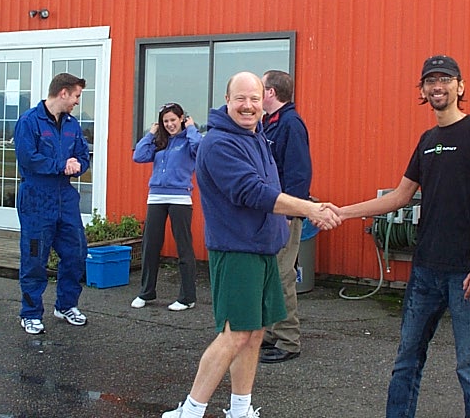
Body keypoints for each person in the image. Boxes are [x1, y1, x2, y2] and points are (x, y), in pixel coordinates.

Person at [335, 55, 470, 418]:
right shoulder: (427, 140)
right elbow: (399, 197)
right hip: (425, 270)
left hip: (467, 272)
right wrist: (341, 212)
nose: (437, 86)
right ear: (423, 91)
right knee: (406, 361)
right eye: (430, 81)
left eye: (445, 79)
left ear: (460, 86)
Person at [163, 72, 341, 418]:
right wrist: (309, 209)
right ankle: (191, 410)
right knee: (234, 334)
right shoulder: (219, 143)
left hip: (263, 248)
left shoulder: (255, 135)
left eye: (255, 99)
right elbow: (252, 192)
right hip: (237, 250)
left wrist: (304, 210)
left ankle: (240, 409)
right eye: (241, 99)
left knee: (255, 332)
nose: (248, 106)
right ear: (227, 100)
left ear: (265, 101)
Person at [14, 73, 91, 335]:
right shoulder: (29, 121)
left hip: (65, 198)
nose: (77, 102)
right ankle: (31, 313)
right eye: (77, 96)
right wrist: (62, 165)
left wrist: (78, 164)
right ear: (63, 93)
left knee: (76, 252)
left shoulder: (71, 124)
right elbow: (28, 158)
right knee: (35, 258)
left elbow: (82, 154)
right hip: (37, 198)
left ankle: (66, 305)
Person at [259, 70, 312, 364]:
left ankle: (289, 340)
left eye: (260, 87)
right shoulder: (270, 123)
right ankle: (271, 330)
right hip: (271, 210)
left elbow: (299, 172)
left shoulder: (290, 124)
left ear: (270, 92)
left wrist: (293, 212)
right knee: (269, 274)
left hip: (285, 212)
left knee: (281, 274)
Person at [131, 102, 202, 311]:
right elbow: (139, 155)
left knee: (184, 247)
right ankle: (146, 292)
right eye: (166, 121)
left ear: (182, 118)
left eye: (173, 120)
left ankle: (187, 297)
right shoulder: (159, 142)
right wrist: (151, 133)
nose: (170, 124)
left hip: (180, 198)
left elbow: (200, 149)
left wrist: (191, 128)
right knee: (150, 246)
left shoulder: (189, 141)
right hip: (156, 198)